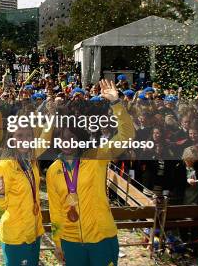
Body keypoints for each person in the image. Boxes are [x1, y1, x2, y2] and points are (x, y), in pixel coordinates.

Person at [47, 79, 135, 266]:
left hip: (101, 238)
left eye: (72, 137)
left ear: (79, 138)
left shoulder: (97, 156)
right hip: (70, 242)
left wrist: (115, 103)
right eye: (62, 138)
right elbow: (55, 211)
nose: (67, 143)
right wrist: (57, 242)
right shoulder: (53, 170)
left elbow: (126, 135)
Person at [0, 123, 44, 266]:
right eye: (19, 136)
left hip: (34, 232)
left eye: (28, 136)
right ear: (11, 139)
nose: (25, 140)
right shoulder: (4, 165)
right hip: (16, 236)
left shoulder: (31, 162)